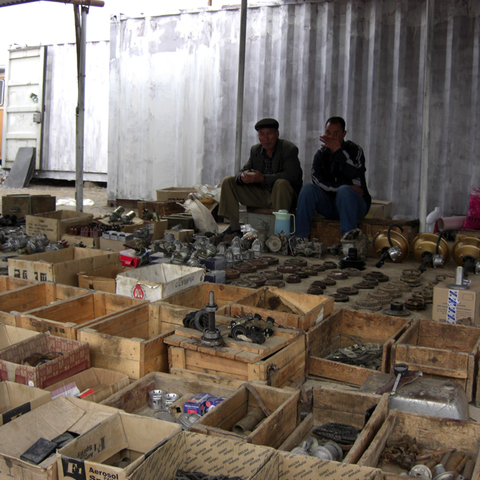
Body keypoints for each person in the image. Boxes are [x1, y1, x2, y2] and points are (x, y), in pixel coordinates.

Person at [218, 118, 303, 234]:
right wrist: (243, 176)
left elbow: (292, 175)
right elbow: (242, 170)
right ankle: (234, 228)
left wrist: (263, 178)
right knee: (228, 181)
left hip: (282, 195)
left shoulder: (289, 149)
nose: (266, 139)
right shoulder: (256, 150)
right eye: (262, 135)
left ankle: (280, 233)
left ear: (277, 134)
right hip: (261, 195)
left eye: (270, 134)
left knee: (281, 183)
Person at [295, 116, 371, 238]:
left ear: (344, 134)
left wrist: (338, 151)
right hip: (331, 205)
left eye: (336, 133)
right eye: (328, 133)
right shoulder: (320, 154)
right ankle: (300, 240)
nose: (331, 137)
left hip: (355, 205)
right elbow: (317, 181)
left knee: (345, 191)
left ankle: (348, 243)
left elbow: (355, 173)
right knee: (307, 189)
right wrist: (339, 188)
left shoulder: (354, 150)